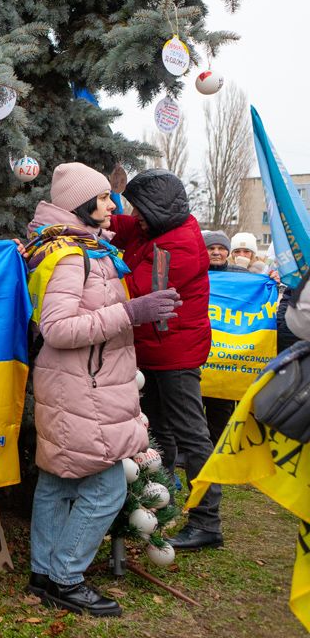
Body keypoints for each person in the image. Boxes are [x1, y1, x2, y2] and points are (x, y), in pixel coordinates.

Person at [23, 162, 175, 617]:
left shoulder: (78, 247)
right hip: (80, 388)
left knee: (56, 482)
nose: (113, 205)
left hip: (75, 383)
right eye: (105, 197)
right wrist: (133, 313)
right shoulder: (72, 256)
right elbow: (59, 328)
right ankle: (66, 577)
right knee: (107, 487)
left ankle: (43, 574)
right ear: (80, 205)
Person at [109, 169, 220, 551]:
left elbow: (133, 291)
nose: (133, 215)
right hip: (154, 351)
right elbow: (116, 223)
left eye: (140, 208)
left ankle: (208, 521)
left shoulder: (177, 247)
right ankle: (164, 503)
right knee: (158, 432)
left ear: (156, 209)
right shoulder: (153, 229)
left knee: (191, 433)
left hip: (176, 353)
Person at [202, 230, 248, 443]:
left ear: (227, 252)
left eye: (221, 248)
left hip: (227, 357)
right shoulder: (195, 272)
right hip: (202, 352)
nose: (216, 252)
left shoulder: (242, 276)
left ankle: (219, 451)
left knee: (221, 410)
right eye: (211, 248)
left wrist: (271, 279)